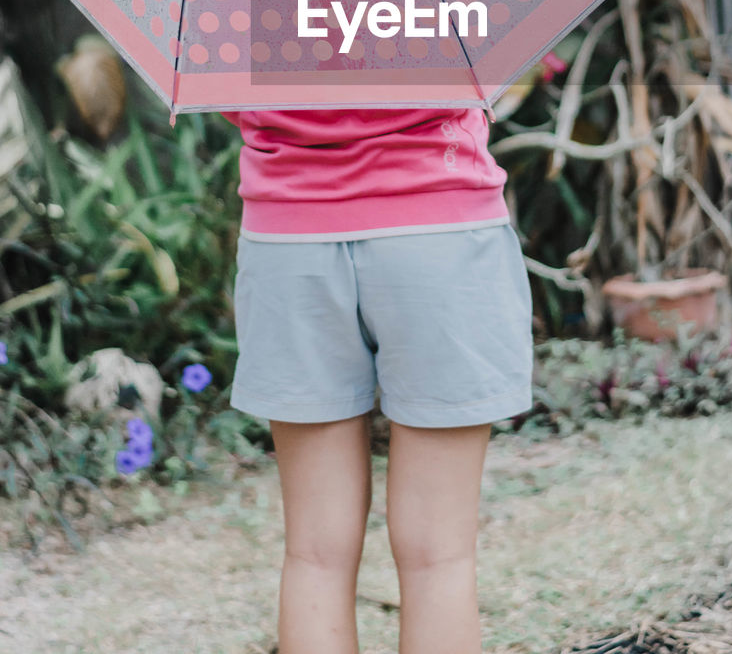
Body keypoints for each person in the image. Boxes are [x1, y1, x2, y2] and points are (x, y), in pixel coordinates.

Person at [221, 104, 534, 654]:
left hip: (290, 238)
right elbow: (495, 61)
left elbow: (228, 95)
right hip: (441, 225)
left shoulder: (236, 10)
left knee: (314, 555)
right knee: (441, 556)